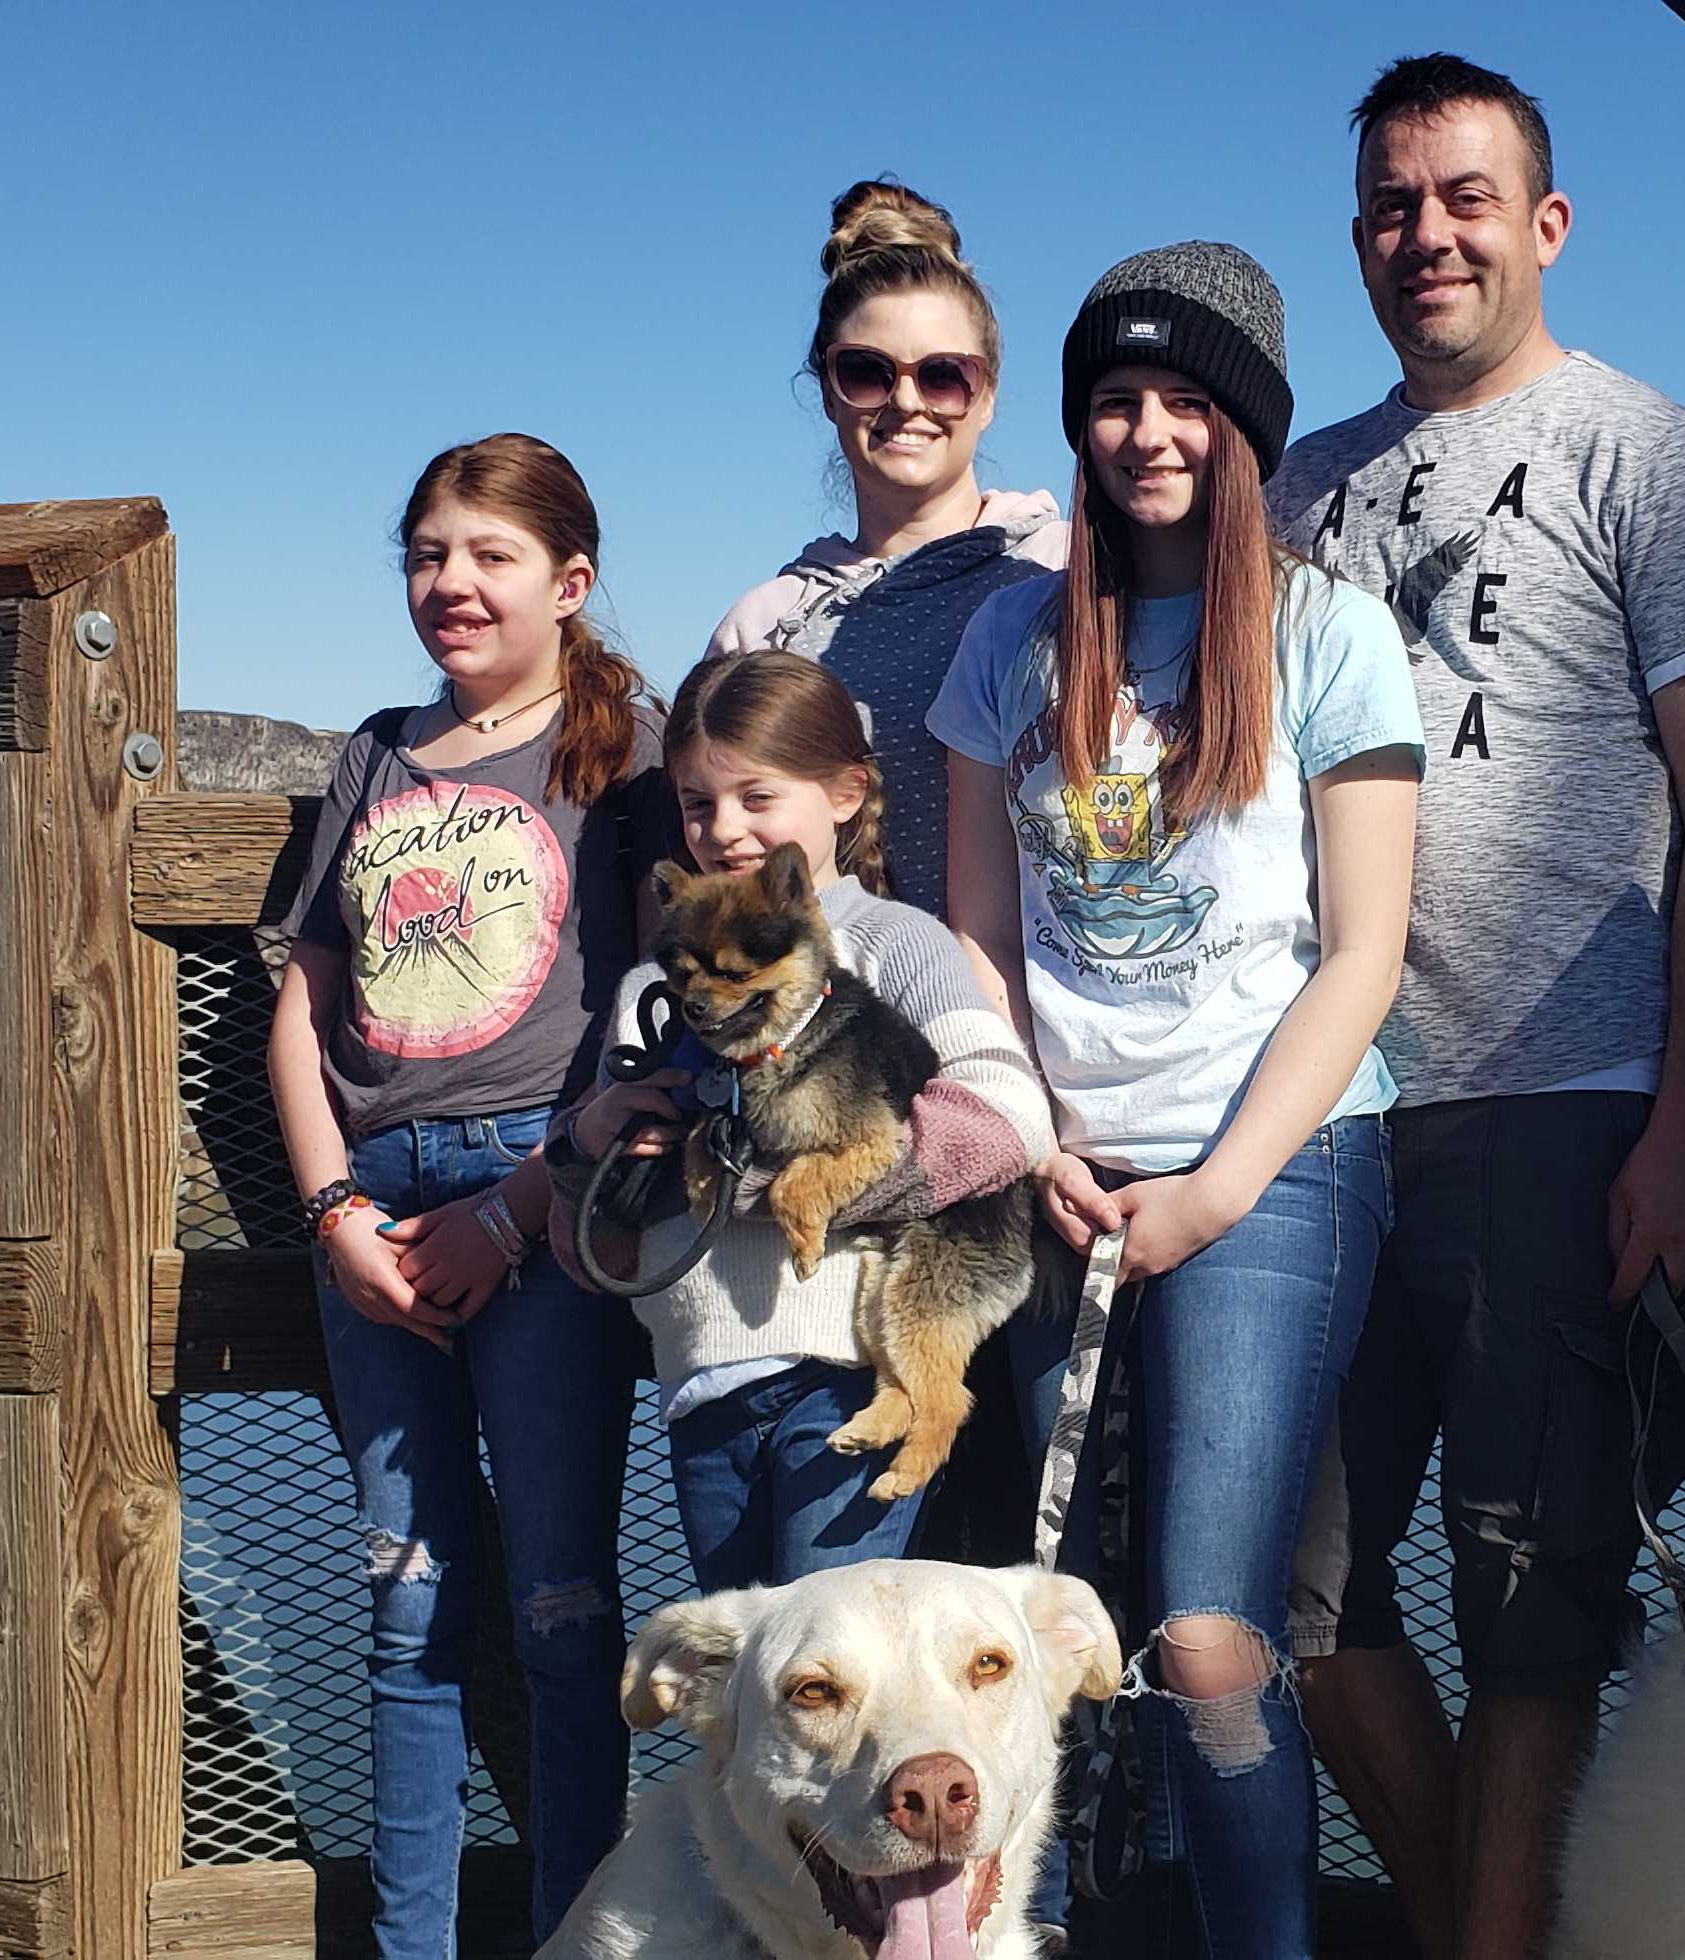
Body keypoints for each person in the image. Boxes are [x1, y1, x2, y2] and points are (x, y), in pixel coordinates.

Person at [1269, 54, 1685, 1960]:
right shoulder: (1296, 488)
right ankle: (1476, 1929)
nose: (1428, 235)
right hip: (1321, 1112)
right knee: (1281, 1588)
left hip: (1558, 1102)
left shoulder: (1644, 452)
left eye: (1465, 198)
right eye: (1393, 206)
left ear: (1545, 224)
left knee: (1531, 1602)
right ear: (1357, 240)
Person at [930, 241, 1421, 1959]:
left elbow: (1363, 951)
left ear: (1246, 430)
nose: (1146, 432)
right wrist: (1030, 1134)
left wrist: (1212, 1193)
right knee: (1068, 1607)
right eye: (1117, 399)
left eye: (1186, 401)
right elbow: (978, 940)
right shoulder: (1008, 643)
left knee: (1210, 1633)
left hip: (1273, 1167)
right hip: (1060, 1170)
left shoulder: (1326, 634)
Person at [264, 434, 673, 1956]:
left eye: (491, 555)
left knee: (562, 1610)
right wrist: (333, 1218)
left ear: (569, 582)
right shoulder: (375, 753)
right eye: (429, 554)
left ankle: (575, 1935)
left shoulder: (627, 759)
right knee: (408, 1609)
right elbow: (302, 1010)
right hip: (373, 1209)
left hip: (547, 1205)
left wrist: (518, 1213)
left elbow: (661, 1028)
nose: (453, 583)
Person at [560, 649, 1052, 1590]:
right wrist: (588, 1143)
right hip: (701, 1380)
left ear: (846, 793)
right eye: (697, 804)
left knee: (831, 1644)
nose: (722, 829)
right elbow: (602, 1228)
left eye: (757, 797)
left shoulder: (898, 943)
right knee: (746, 1651)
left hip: (846, 1364)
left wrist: (764, 1182)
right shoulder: (653, 989)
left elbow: (1009, 1119)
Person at [709, 178, 1068, 924]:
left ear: (988, 396)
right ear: (828, 389)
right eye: (868, 373)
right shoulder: (763, 629)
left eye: (943, 376)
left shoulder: (1068, 571)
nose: (907, 402)